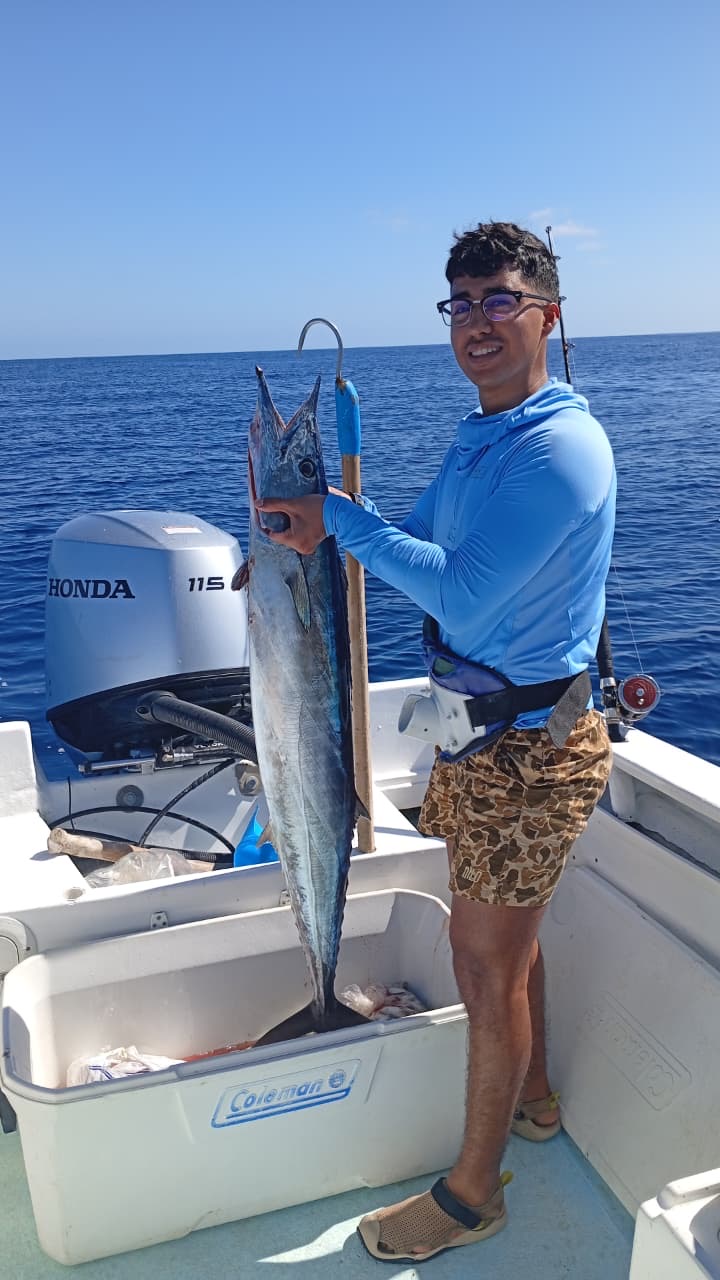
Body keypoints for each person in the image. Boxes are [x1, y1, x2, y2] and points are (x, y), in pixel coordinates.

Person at [257, 221, 616, 1263]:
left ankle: (472, 1195)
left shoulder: (561, 447)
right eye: (461, 304)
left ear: (548, 313)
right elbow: (408, 543)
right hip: (473, 736)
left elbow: (458, 587)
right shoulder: (482, 436)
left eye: (500, 300)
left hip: (532, 752)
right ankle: (536, 1097)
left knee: (481, 955)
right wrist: (300, 553)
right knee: (506, 944)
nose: (478, 323)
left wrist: (336, 515)